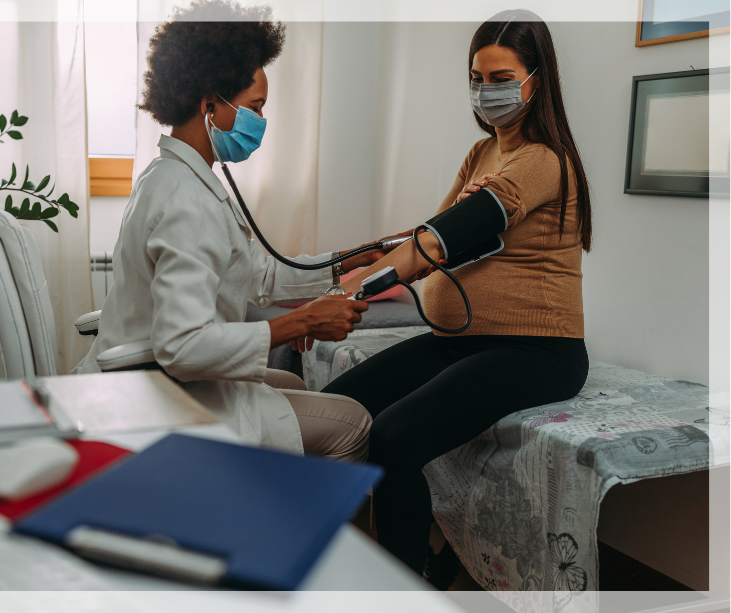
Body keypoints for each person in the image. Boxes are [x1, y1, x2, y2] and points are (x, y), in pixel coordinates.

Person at [318, 10, 593, 579]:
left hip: (535, 351)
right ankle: (435, 551)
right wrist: (365, 257)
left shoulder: (545, 160)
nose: (486, 91)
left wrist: (356, 288)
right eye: (477, 78)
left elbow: (440, 243)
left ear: (536, 81)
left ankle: (406, 581)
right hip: (457, 342)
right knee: (341, 408)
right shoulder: (481, 153)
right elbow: (426, 232)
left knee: (393, 437)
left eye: (501, 78)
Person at [76, 0, 405, 461]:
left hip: (157, 376)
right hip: (161, 393)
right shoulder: (185, 203)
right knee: (353, 424)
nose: (261, 122)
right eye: (255, 107)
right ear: (210, 104)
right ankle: (279, 530)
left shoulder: (173, 176)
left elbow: (263, 277)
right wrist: (302, 322)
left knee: (289, 382)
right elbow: (183, 345)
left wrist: (350, 258)